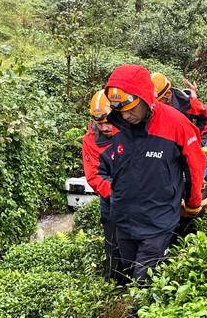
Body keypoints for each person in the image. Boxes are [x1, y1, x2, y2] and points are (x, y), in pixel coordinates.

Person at [103, 64, 206, 282]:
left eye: (132, 108)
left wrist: (193, 203)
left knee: (144, 281)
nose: (127, 115)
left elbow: (195, 166)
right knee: (128, 272)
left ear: (146, 98)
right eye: (121, 109)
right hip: (124, 218)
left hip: (157, 220)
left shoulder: (177, 124)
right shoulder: (115, 125)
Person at [80, 90, 119, 282]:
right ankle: (113, 282)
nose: (105, 127)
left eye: (108, 121)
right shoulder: (91, 141)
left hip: (141, 194)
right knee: (113, 243)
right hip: (112, 199)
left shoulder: (132, 129)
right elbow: (94, 177)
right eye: (99, 122)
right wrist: (119, 195)